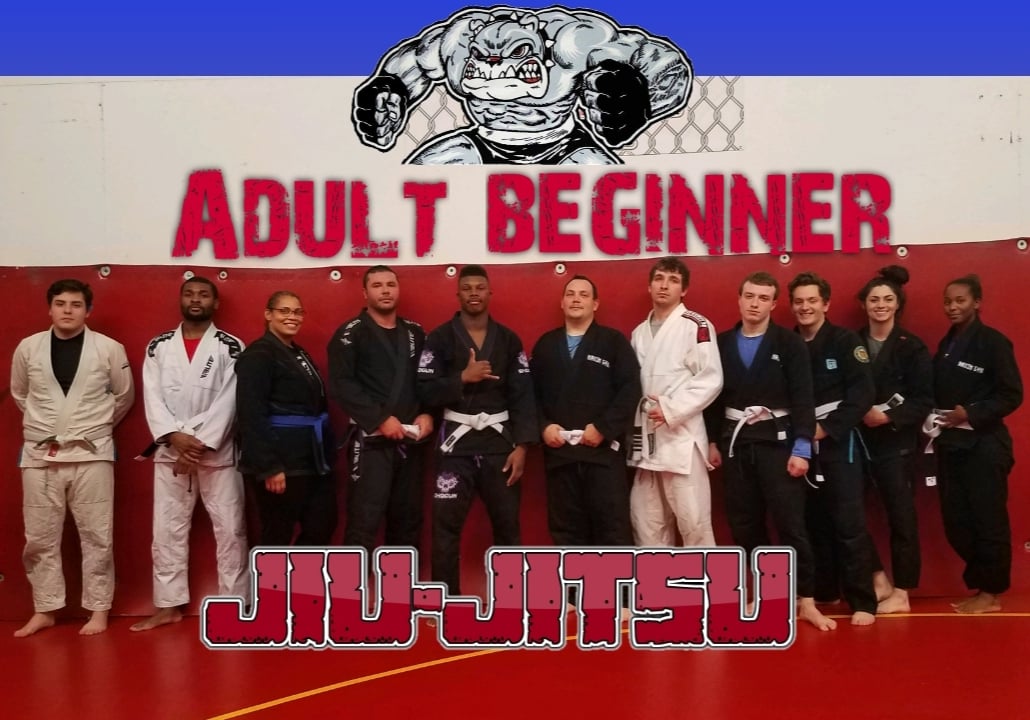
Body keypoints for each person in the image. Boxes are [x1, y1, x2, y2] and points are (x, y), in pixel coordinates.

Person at [704, 272, 836, 631]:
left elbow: (804, 398)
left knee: (791, 524)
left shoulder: (789, 343)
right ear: (739, 298)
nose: (755, 303)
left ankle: (805, 600)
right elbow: (712, 398)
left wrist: (802, 448)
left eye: (763, 298)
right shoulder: (721, 343)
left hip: (779, 444)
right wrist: (713, 441)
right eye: (749, 296)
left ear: (774, 304)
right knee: (745, 524)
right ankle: (767, 592)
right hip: (736, 443)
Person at [11, 279, 134, 637]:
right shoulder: (28, 348)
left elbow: (123, 396)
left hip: (91, 452)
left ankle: (98, 609)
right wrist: (50, 425)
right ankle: (45, 608)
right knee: (39, 535)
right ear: (49, 308)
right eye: (60, 303)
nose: (67, 310)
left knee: (97, 534)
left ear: (88, 311)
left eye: (76, 304)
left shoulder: (109, 348)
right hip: (40, 452)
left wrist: (91, 427)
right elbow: (20, 393)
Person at [131, 276, 250, 632]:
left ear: (215, 303)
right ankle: (168, 605)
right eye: (189, 294)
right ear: (181, 299)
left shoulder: (230, 346)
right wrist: (173, 436)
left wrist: (196, 443)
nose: (195, 299)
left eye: (203, 294)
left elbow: (230, 401)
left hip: (216, 452)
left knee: (231, 529)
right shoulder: (158, 347)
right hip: (171, 450)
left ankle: (234, 604)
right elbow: (152, 397)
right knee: (166, 529)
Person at [417, 265, 538, 595]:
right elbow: (424, 390)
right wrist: (462, 378)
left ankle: (511, 596)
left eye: (480, 287)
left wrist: (523, 446)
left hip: (500, 445)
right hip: (455, 447)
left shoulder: (509, 339)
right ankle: (446, 599)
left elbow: (523, 395)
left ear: (489, 293)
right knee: (445, 529)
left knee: (508, 527)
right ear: (458, 293)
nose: (474, 293)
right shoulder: (440, 338)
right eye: (467, 287)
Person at [928, 274, 1022, 614]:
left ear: (977, 302)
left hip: (985, 446)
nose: (952, 307)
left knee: (988, 520)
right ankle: (983, 583)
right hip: (951, 444)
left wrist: (970, 412)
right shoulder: (948, 343)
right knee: (957, 522)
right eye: (948, 301)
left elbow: (1012, 394)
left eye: (960, 300)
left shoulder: (993, 342)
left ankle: (991, 592)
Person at [327, 265, 434, 559]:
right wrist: (379, 419)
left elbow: (428, 378)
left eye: (390, 284)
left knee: (408, 520)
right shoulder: (350, 333)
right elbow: (341, 384)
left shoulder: (415, 333)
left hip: (410, 440)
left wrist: (428, 413)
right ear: (365, 293)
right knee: (364, 519)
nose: (385, 290)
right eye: (377, 285)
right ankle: (352, 587)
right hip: (370, 440)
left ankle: (402, 585)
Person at [789, 271, 877, 626]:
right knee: (811, 521)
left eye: (812, 300)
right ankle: (825, 591)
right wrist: (802, 432)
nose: (805, 307)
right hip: (799, 442)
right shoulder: (788, 343)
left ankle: (863, 601)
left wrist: (826, 428)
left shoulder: (845, 341)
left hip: (840, 442)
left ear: (825, 303)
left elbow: (863, 394)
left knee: (849, 522)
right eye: (799, 301)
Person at [530, 275, 640, 551]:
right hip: (560, 455)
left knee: (612, 530)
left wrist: (603, 428)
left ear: (595, 304)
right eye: (570, 294)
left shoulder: (613, 342)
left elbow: (630, 390)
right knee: (567, 533)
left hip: (602, 456)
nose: (576, 299)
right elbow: (530, 395)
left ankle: (616, 582)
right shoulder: (545, 345)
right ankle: (574, 581)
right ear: (562, 302)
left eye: (584, 294)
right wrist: (543, 427)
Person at [627, 256, 723, 548]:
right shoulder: (638, 333)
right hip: (647, 441)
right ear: (649, 286)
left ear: (684, 290)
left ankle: (708, 578)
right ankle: (658, 578)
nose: (664, 285)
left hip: (681, 439)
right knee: (647, 524)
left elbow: (711, 378)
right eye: (659, 278)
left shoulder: (696, 325)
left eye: (673, 280)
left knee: (694, 523)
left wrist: (670, 409)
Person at [855, 266, 933, 614]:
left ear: (898, 304)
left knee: (901, 518)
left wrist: (888, 416)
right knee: (847, 513)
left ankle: (902, 591)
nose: (881, 305)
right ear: (864, 304)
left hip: (896, 444)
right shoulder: (851, 342)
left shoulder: (911, 347)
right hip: (857, 442)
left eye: (888, 299)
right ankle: (877, 578)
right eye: (874, 299)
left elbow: (924, 399)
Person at [235, 291, 337, 546]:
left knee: (321, 524)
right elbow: (250, 412)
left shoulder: (296, 352)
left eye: (297, 312)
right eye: (284, 311)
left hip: (309, 458)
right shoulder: (258, 354)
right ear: (268, 314)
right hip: (279, 459)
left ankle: (300, 573)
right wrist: (269, 466)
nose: (292, 317)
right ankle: (271, 575)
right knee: (277, 532)